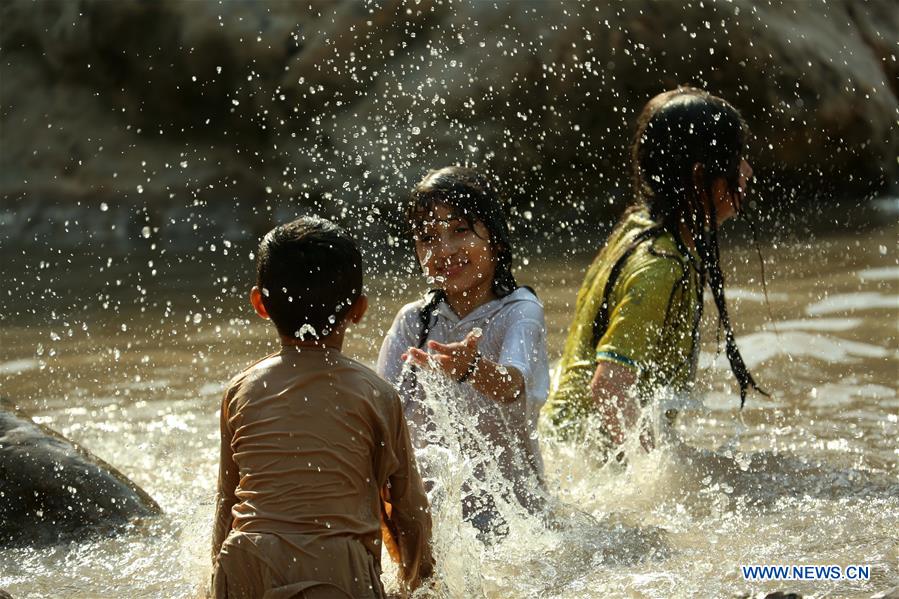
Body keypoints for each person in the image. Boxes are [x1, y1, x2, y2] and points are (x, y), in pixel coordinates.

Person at [212, 216, 433, 599]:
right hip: (338, 571)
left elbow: (227, 503)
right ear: (359, 309)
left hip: (245, 560)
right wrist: (423, 586)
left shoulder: (240, 390)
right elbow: (408, 510)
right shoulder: (377, 394)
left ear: (260, 304)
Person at [541, 87, 766, 455]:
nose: (747, 170)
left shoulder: (641, 224)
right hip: (585, 457)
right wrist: (662, 477)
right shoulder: (659, 267)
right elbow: (609, 389)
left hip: (565, 436)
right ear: (699, 177)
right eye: (736, 158)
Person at [377, 166, 550, 536]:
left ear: (497, 241)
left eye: (459, 230)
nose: (445, 249)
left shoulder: (520, 312)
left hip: (517, 516)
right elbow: (378, 411)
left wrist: (473, 369)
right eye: (428, 238)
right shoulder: (415, 322)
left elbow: (511, 384)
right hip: (434, 511)